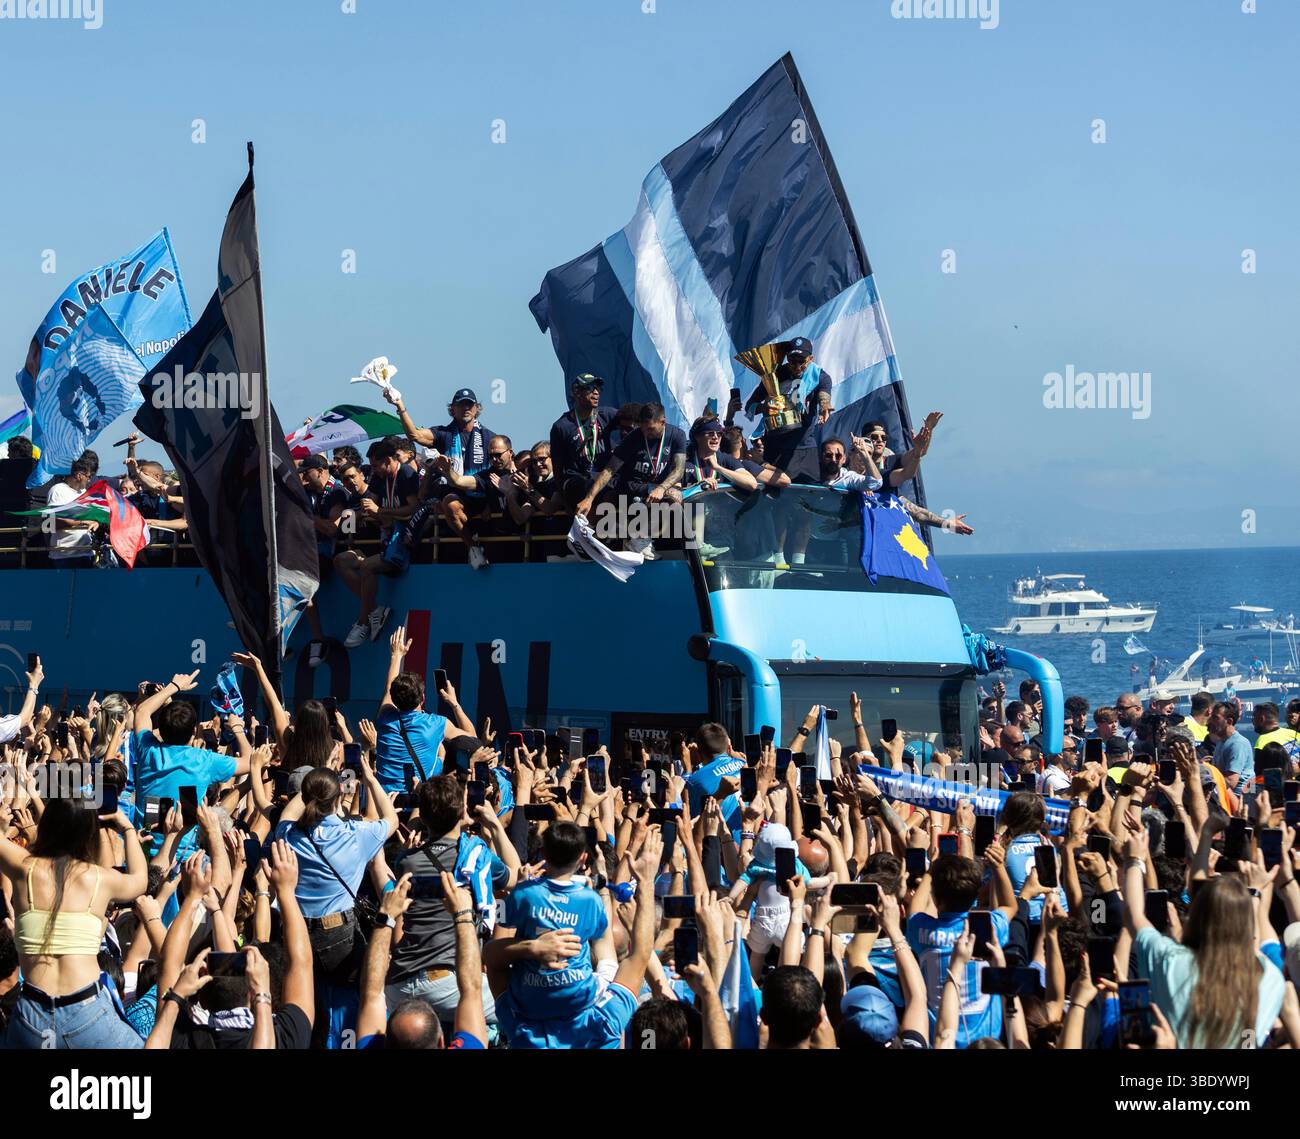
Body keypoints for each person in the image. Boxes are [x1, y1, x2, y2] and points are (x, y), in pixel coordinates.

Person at [0, 793, 149, 1047]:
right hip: (87, 1010)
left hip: (31, 1015)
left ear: (46, 824)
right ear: (88, 833)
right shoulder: (100, 879)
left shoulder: (24, 867)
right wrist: (126, 827)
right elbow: (140, 880)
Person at [1122, 830, 1285, 1048]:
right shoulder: (1270, 978)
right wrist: (1254, 893)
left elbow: (1133, 915)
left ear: (1196, 913)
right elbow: (1252, 944)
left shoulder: (1170, 960)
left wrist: (1134, 860)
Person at [383, 775, 515, 1034]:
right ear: (463, 811)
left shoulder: (405, 861)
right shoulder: (477, 854)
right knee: (517, 1005)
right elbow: (515, 876)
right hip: (448, 985)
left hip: (398, 987)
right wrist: (495, 826)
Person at [373, 626, 483, 791]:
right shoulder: (437, 723)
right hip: (417, 806)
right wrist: (454, 703)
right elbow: (472, 739)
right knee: (442, 755)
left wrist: (396, 656)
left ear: (394, 699)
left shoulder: (385, 717)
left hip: (382, 804)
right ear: (423, 699)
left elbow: (388, 689)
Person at [333, 437, 420, 647]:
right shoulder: (380, 478)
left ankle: (363, 622)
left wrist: (380, 511)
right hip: (386, 540)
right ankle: (374, 610)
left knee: (367, 567)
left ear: (388, 461)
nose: (373, 471)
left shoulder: (406, 474)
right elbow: (370, 507)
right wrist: (361, 513)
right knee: (341, 560)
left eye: (375, 466)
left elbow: (413, 508)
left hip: (404, 542)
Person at [549, 373, 617, 494]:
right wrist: (565, 501)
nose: (596, 392)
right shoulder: (561, 427)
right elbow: (558, 470)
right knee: (589, 486)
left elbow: (632, 417)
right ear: (577, 392)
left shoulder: (607, 415)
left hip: (602, 478)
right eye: (590, 388)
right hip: (576, 481)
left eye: (598, 388)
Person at [45, 456, 98, 565]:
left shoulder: (84, 492)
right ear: (79, 475)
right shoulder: (58, 490)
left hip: (87, 553)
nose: (89, 480)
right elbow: (53, 522)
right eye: (89, 476)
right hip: (64, 556)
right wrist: (83, 522)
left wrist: (95, 522)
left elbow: (91, 517)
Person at [1209, 701, 1254, 799]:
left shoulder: (1238, 744)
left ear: (1229, 721)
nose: (1210, 721)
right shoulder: (1222, 741)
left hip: (1241, 799)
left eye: (1215, 718)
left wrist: (1204, 784)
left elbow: (1231, 781)